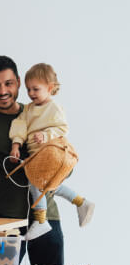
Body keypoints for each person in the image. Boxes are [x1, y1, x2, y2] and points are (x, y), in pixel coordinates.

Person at [0, 55, 64, 265]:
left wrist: (54, 163)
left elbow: (65, 164)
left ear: (18, 81)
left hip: (46, 217)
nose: (3, 91)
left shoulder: (39, 113)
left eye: (9, 83)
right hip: (1, 220)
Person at [9, 63, 94, 241]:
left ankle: (41, 221)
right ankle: (80, 202)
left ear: (50, 87)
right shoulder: (29, 109)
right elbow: (20, 125)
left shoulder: (54, 108)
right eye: (28, 89)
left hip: (49, 154)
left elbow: (62, 128)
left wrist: (46, 135)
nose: (31, 93)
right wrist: (16, 145)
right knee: (49, 186)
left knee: (36, 184)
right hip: (34, 156)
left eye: (36, 89)